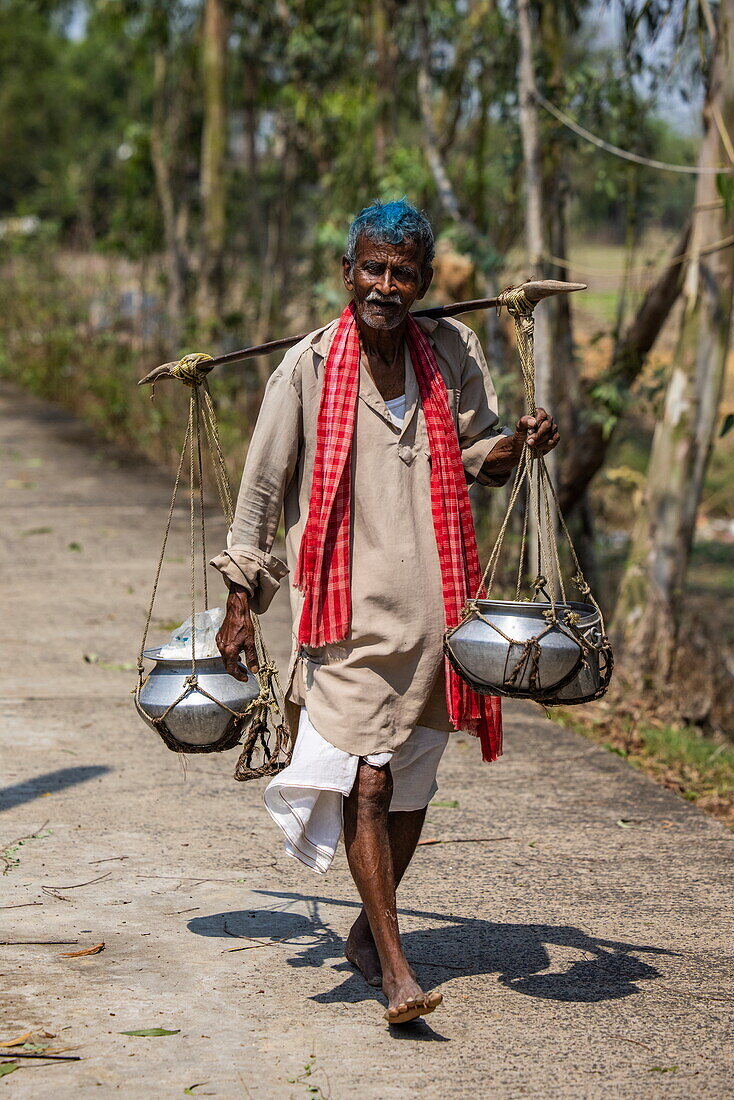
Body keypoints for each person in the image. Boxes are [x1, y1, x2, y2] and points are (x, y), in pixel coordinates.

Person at [212, 198, 559, 1025]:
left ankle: (368, 937)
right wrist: (239, 599)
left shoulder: (452, 349)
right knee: (368, 781)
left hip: (441, 619)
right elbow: (262, 491)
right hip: (345, 621)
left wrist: (518, 443)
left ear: (424, 281)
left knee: (409, 789)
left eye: (404, 272)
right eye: (373, 267)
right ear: (348, 273)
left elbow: (479, 453)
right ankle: (399, 971)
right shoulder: (309, 368)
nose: (387, 285)